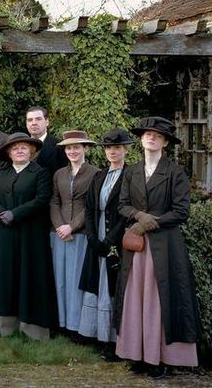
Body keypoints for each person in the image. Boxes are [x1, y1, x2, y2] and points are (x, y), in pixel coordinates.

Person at [115, 117, 201, 378]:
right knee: (136, 299)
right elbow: (122, 205)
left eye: (157, 135)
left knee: (159, 300)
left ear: (165, 142)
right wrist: (140, 218)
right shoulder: (131, 172)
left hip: (165, 248)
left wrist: (152, 223)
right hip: (137, 248)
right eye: (147, 134)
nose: (151, 138)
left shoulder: (175, 172)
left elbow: (181, 212)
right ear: (141, 140)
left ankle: (160, 358)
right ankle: (138, 355)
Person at [0, 132, 57, 340]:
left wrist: (15, 214)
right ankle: (2, 325)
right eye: (15, 148)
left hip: (29, 235)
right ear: (9, 152)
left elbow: (42, 199)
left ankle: (29, 328)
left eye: (24, 147)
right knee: (3, 276)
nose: (20, 151)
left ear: (31, 151)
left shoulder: (40, 172)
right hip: (2, 233)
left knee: (27, 277)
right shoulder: (1, 171)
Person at [78, 129, 133, 356]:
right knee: (95, 282)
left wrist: (110, 239)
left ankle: (113, 340)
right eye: (109, 148)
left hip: (116, 237)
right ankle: (94, 334)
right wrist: (91, 236)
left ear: (126, 150)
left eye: (117, 148)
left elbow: (126, 212)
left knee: (112, 284)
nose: (112, 152)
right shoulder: (99, 176)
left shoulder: (131, 176)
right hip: (97, 234)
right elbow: (89, 208)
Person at [50, 131, 99, 334]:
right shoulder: (59, 174)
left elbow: (92, 205)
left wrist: (72, 226)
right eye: (69, 148)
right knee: (59, 279)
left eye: (76, 147)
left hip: (80, 234)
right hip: (58, 234)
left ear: (85, 148)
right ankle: (61, 323)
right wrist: (60, 226)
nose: (72, 151)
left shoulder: (95, 173)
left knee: (76, 280)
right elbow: (54, 201)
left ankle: (78, 325)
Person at [26, 106, 67, 176]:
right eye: (30, 120)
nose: (34, 123)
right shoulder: (20, 146)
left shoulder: (60, 146)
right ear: (26, 124)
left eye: (38, 119)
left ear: (47, 122)